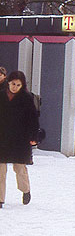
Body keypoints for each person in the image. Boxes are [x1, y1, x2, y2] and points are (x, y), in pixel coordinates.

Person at [0, 71, 39, 208]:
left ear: (22, 85)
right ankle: (0, 199)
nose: (14, 87)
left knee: (19, 167)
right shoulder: (1, 96)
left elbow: (33, 118)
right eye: (12, 84)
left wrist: (34, 136)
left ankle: (25, 190)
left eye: (18, 85)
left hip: (20, 138)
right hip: (2, 137)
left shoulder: (27, 98)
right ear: (8, 83)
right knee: (0, 169)